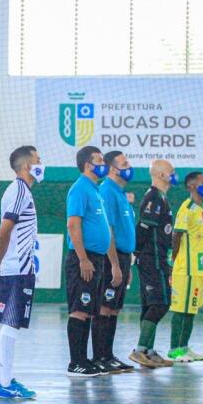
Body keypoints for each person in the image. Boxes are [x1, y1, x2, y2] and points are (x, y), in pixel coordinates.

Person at [0, 145, 43, 399]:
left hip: (21, 268)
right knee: (10, 324)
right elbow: (4, 229)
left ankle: (5, 377)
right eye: (38, 161)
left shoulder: (23, 192)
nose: (42, 165)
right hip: (15, 269)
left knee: (12, 324)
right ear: (27, 166)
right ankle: (3, 381)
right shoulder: (18, 190)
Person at [64, 146, 111, 377]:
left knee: (90, 311)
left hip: (97, 259)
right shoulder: (80, 189)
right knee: (79, 310)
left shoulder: (96, 190)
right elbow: (73, 224)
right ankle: (76, 362)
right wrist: (83, 259)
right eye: (99, 160)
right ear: (87, 165)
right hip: (84, 259)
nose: (103, 164)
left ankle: (85, 359)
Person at [130, 160, 176, 368]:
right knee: (160, 303)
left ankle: (148, 351)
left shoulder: (162, 198)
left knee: (151, 304)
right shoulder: (153, 197)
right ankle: (140, 350)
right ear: (160, 175)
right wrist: (136, 252)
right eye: (171, 172)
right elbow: (143, 228)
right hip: (151, 259)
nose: (174, 175)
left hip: (159, 259)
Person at [94, 151, 134, 374]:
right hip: (112, 258)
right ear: (112, 169)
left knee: (115, 309)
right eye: (124, 164)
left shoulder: (119, 193)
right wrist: (115, 265)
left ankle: (108, 355)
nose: (129, 167)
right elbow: (107, 230)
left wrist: (127, 264)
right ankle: (99, 356)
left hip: (124, 257)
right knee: (104, 307)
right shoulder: (107, 191)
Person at [168, 172, 203, 362]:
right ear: (192, 186)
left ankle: (184, 348)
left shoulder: (201, 208)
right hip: (185, 269)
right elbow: (176, 236)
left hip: (198, 269)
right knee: (181, 310)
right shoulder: (187, 208)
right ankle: (174, 350)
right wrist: (175, 261)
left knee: (191, 309)